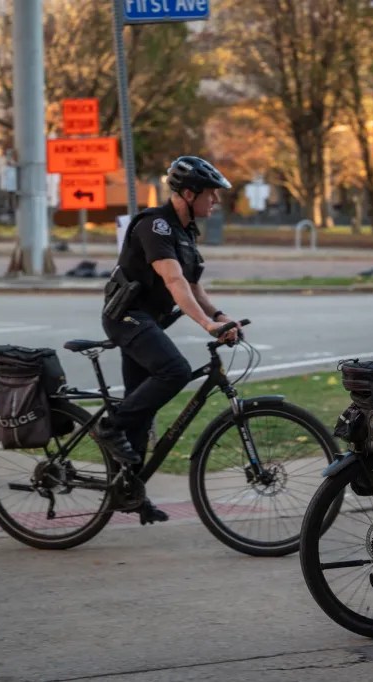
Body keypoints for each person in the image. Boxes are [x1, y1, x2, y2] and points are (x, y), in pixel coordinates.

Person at [95, 156, 239, 524]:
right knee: (174, 371)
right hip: (126, 318)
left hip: (149, 322)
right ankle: (109, 427)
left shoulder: (186, 232)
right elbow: (173, 281)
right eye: (211, 194)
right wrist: (206, 325)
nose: (217, 201)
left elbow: (192, 285)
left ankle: (128, 491)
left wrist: (219, 316)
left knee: (142, 412)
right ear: (188, 193)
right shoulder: (155, 225)